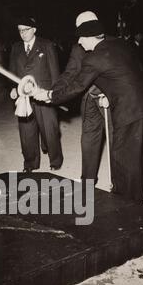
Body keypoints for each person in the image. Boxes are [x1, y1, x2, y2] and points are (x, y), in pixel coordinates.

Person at [35, 14, 143, 203]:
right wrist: (110, 94)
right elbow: (127, 73)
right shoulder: (119, 44)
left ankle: (126, 206)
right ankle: (132, 198)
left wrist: (49, 96)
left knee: (124, 160)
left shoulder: (94, 58)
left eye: (81, 38)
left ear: (91, 37)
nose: (79, 43)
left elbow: (77, 87)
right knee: (138, 158)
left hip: (129, 111)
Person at [53, 11, 110, 183]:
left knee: (116, 140)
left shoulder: (110, 45)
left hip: (109, 99)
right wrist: (52, 91)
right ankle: (88, 180)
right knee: (89, 140)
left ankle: (119, 184)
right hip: (89, 98)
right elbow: (69, 73)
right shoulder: (78, 48)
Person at [9, 16, 63, 172]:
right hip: (23, 96)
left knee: (50, 130)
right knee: (26, 131)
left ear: (34, 30)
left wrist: (53, 94)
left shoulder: (46, 45)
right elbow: (12, 71)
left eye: (26, 30)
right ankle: (30, 163)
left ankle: (55, 160)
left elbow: (54, 72)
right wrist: (13, 88)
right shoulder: (16, 47)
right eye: (20, 30)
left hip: (43, 94)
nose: (22, 33)